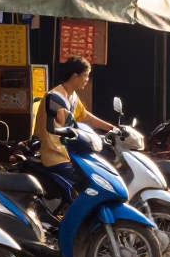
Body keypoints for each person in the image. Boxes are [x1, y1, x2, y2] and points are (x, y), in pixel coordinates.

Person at [32, 56, 116, 197]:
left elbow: (85, 116)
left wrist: (113, 129)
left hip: (69, 151)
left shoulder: (72, 96)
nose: (87, 80)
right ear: (75, 76)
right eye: (85, 76)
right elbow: (58, 126)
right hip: (55, 154)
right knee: (81, 184)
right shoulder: (54, 98)